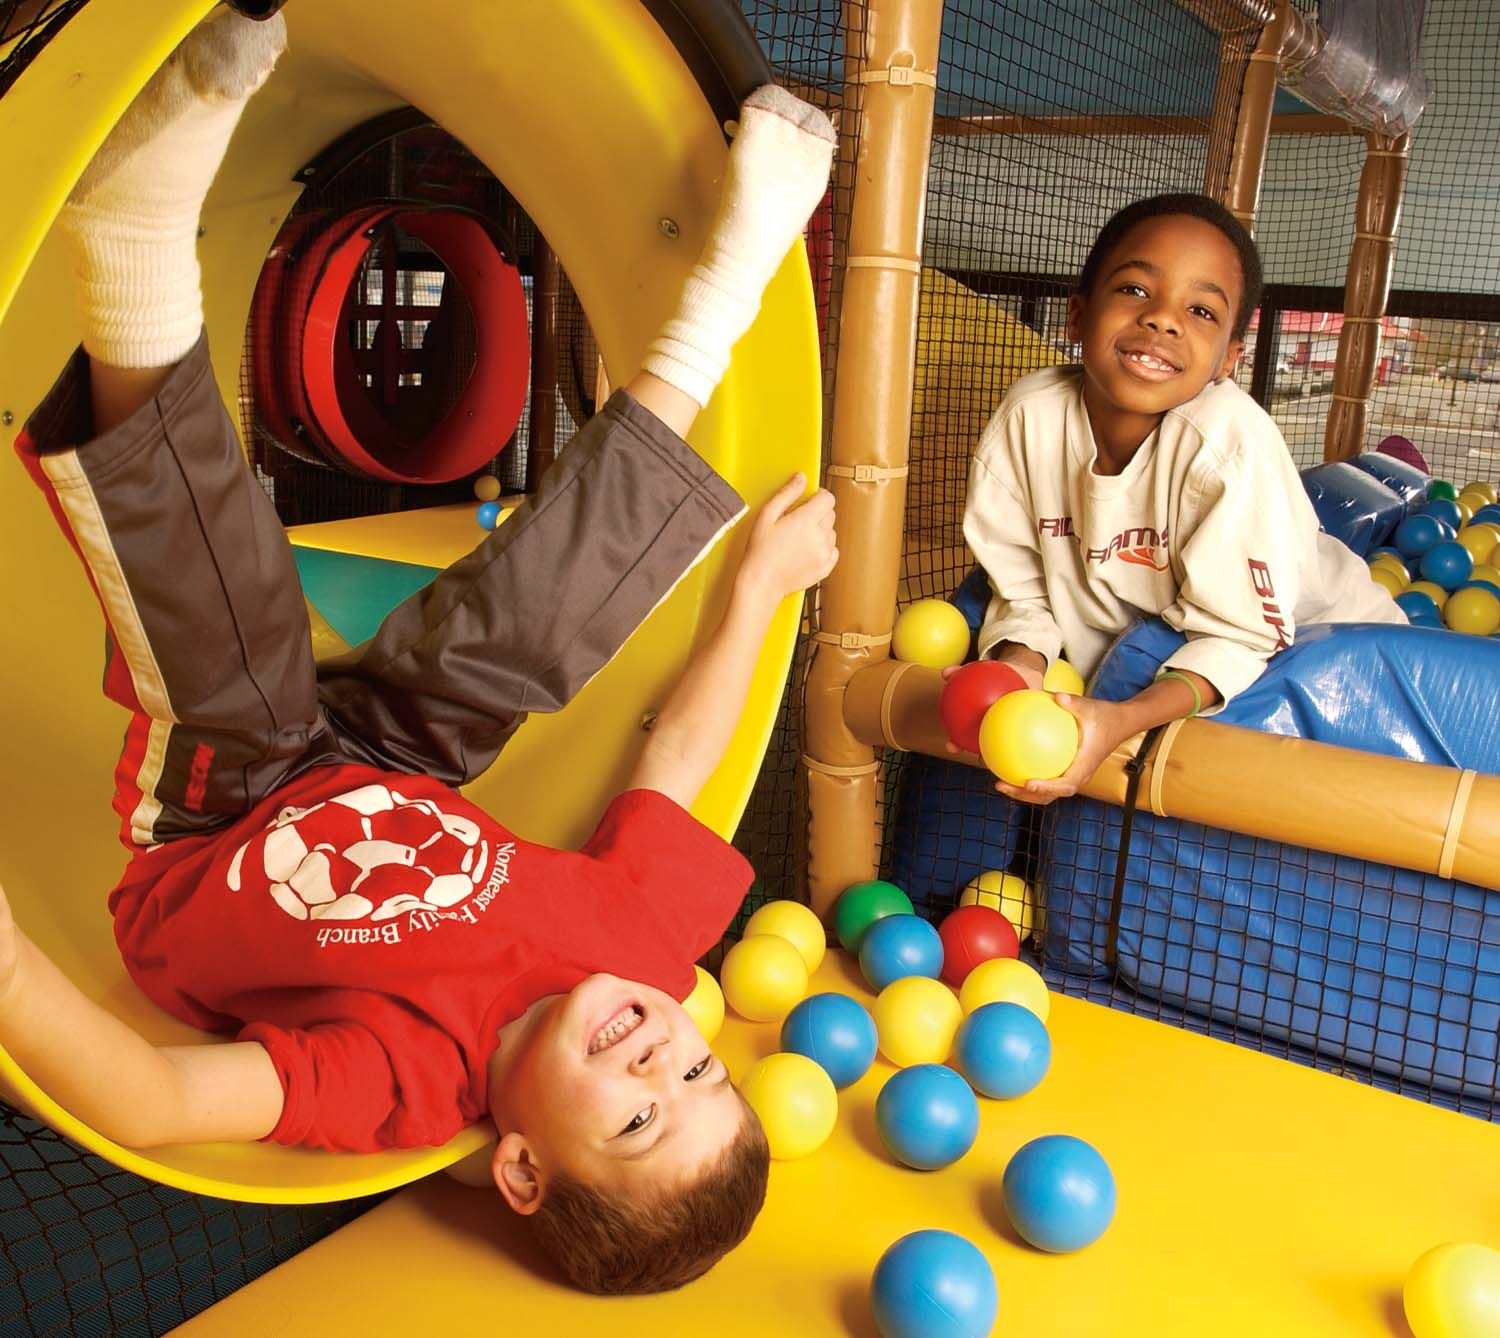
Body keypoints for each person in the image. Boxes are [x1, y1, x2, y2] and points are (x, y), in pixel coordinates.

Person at [0, 6, 839, 1295]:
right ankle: (717, 301)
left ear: (520, 1170)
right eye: (698, 1070)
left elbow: (159, 1099)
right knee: (536, 634)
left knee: (237, 637)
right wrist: (757, 597)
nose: (658, 1055)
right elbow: (679, 750)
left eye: (635, 1117)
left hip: (231, 820)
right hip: (404, 765)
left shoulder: (404, 1085)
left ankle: (134, 248)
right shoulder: (648, 950)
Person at [962, 192, 1402, 804]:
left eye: (1200, 310)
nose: (1163, 320)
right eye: (1136, 291)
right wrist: (1019, 667)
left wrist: (1122, 719)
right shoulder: (1029, 419)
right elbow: (1023, 588)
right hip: (1147, 641)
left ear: (1228, 360)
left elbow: (1242, 637)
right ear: (1077, 314)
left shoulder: (1228, 444)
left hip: (1328, 643)